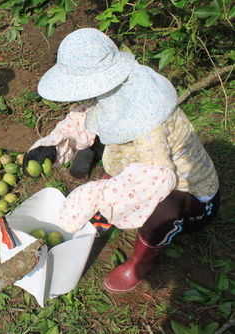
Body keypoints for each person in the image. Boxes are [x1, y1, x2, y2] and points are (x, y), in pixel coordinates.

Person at [23, 28, 220, 293]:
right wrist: (54, 146)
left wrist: (95, 195)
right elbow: (88, 117)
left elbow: (156, 177)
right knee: (111, 184)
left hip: (189, 192)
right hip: (147, 167)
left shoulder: (149, 120)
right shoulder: (118, 89)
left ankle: (140, 263)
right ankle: (107, 212)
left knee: (161, 216)